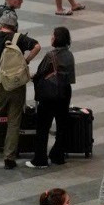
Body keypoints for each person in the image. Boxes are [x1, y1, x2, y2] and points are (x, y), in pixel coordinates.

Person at [0, 12, 39, 169]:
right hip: (17, 85)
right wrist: (26, 61)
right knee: (14, 121)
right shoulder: (19, 39)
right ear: (14, 26)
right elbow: (37, 46)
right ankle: (9, 159)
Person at [30, 26, 75, 168]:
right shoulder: (69, 54)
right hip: (65, 92)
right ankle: (58, 155)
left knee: (43, 126)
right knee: (62, 125)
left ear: (56, 38)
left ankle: (40, 159)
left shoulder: (51, 55)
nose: (51, 37)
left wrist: (33, 77)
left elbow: (40, 72)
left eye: (53, 35)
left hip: (49, 95)